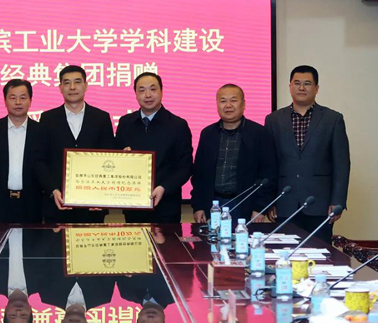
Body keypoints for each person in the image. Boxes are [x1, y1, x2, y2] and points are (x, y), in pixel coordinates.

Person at [265, 65, 350, 244]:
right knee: (284, 254)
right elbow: (269, 164)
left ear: (316, 88)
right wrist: (270, 201)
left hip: (320, 204)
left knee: (320, 254)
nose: (301, 88)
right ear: (290, 87)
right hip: (284, 203)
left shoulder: (332, 119)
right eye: (297, 83)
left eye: (307, 83)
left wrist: (337, 201)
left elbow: (341, 163)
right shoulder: (274, 119)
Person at [36, 65, 115, 223]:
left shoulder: (101, 118)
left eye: (77, 82)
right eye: (67, 83)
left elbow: (109, 158)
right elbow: (40, 160)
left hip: (93, 207)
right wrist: (53, 190)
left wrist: (103, 195)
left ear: (86, 86)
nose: (72, 87)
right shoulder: (47, 119)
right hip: (57, 205)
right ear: (60, 88)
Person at [191, 84, 277, 223]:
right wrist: (198, 206)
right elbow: (199, 174)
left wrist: (260, 207)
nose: (228, 105)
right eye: (223, 101)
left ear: (243, 104)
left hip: (246, 207)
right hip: (213, 206)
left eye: (233, 100)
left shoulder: (259, 134)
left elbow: (268, 174)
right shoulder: (208, 134)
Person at [115, 72, 193, 223]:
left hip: (166, 206)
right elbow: (114, 159)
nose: (148, 95)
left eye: (153, 89)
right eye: (142, 90)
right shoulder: (126, 123)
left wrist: (164, 187)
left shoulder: (178, 125)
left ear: (161, 91)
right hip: (133, 205)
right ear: (135, 94)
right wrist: (121, 158)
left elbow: (185, 167)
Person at [0, 79, 42, 224]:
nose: (18, 102)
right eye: (12, 98)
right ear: (5, 101)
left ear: (30, 101)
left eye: (23, 98)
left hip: (32, 206)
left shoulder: (41, 131)